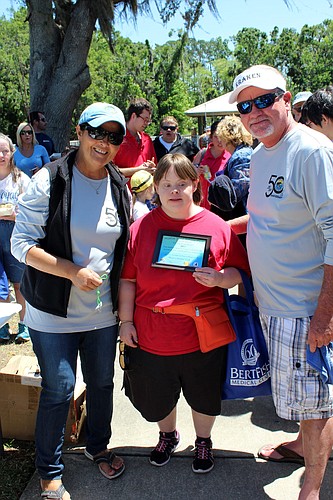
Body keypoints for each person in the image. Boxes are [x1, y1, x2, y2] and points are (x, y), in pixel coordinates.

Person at [11, 102, 131, 500]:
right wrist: (70, 271)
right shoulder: (49, 179)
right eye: (98, 132)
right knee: (59, 388)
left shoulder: (118, 183)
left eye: (114, 137)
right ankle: (50, 469)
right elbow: (21, 244)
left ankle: (98, 446)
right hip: (52, 312)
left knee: (101, 383)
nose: (105, 143)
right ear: (79, 131)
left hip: (101, 313)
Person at [229, 64, 333, 500]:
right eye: (245, 105)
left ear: (286, 99)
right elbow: (265, 218)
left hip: (305, 308)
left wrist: (324, 318)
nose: (255, 112)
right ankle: (299, 446)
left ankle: (311, 487)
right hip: (272, 304)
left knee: (316, 405)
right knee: (303, 399)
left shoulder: (310, 151)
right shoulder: (260, 154)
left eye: (265, 99)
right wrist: (208, 229)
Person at [118, 153, 249, 475]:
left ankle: (203, 440)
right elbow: (127, 280)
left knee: (204, 395)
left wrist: (221, 279)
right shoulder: (141, 228)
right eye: (166, 185)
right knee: (156, 396)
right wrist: (125, 322)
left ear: (195, 184)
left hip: (202, 334)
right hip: (151, 333)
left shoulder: (217, 226)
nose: (174, 191)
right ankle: (167, 435)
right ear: (156, 188)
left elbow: (242, 271)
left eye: (182, 183)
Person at [0, 133, 30, 343]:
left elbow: (29, 210)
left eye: (5, 151)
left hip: (14, 234)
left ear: (12, 153)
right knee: (0, 286)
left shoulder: (20, 180)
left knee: (19, 283)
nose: (1, 155)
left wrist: (13, 214)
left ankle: (24, 325)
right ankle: (2, 325)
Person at [208, 115, 253, 247]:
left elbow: (238, 190)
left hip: (243, 216)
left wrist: (218, 187)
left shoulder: (242, 156)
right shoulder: (242, 153)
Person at [113, 98, 156, 179]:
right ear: (133, 116)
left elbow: (154, 167)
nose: (146, 123)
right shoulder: (115, 138)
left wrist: (151, 168)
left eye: (148, 120)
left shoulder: (147, 139)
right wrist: (139, 170)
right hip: (123, 190)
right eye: (145, 119)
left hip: (145, 190)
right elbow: (109, 172)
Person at [192, 120, 230, 210]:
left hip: (221, 205)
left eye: (223, 136)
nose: (220, 141)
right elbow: (188, 176)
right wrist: (196, 172)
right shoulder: (202, 154)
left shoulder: (231, 155)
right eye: (216, 137)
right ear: (211, 137)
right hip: (201, 204)